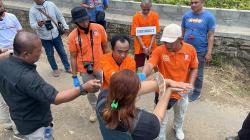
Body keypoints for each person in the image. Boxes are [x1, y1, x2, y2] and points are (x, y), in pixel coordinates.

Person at [0, 31, 101, 139]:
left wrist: (9, 53)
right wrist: (83, 88)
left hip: (20, 118)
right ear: (26, 54)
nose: (41, 53)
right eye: (38, 51)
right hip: (37, 126)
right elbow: (56, 98)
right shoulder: (28, 78)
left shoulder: (4, 63)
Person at [96, 69, 193, 140]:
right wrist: (169, 91)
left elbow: (125, 90)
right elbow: (157, 118)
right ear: (136, 95)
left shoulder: (103, 98)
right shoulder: (143, 123)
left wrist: (166, 82)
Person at [142, 24, 198, 140]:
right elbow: (149, 65)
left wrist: (190, 84)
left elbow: (194, 67)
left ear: (180, 39)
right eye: (165, 41)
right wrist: (141, 77)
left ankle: (178, 127)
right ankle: (160, 136)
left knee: (180, 112)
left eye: (170, 42)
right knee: (161, 117)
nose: (166, 44)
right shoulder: (160, 50)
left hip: (182, 90)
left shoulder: (190, 50)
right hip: (163, 90)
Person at [68, 6, 109, 122]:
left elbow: (106, 47)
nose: (85, 23)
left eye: (86, 19)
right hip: (85, 69)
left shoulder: (99, 28)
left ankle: (107, 107)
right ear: (76, 22)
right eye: (81, 21)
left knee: (106, 88)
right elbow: (73, 57)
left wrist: (111, 64)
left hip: (101, 66)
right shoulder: (72, 36)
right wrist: (75, 76)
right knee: (90, 91)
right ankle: (95, 108)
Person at [182, 0, 216, 101]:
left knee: (198, 72)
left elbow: (211, 36)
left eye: (196, 2)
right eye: (191, 3)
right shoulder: (186, 16)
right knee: (185, 69)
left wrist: (209, 52)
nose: (193, 5)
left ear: (203, 2)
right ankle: (185, 88)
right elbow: (182, 31)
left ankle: (196, 92)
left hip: (200, 50)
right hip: (186, 49)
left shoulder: (209, 17)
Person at [29, 0, 71, 77]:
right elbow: (32, 25)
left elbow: (60, 16)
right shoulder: (32, 10)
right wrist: (38, 24)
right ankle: (55, 69)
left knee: (62, 52)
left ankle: (67, 67)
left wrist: (66, 26)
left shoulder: (51, 5)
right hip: (44, 37)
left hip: (56, 34)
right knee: (49, 54)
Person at [0, 0, 22, 137]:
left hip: (17, 55)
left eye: (1, 5)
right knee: (7, 94)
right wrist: (3, 50)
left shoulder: (12, 17)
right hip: (3, 58)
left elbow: (20, 32)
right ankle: (14, 126)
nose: (1, 8)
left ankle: (10, 123)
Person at [131, 0, 160, 70]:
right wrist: (143, 47)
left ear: (151, 7)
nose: (146, 11)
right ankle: (137, 79)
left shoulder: (154, 16)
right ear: (141, 7)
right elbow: (137, 34)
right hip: (139, 45)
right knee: (138, 65)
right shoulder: (136, 17)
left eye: (148, 9)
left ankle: (159, 77)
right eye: (144, 10)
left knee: (154, 64)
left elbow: (155, 33)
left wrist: (150, 46)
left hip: (151, 44)